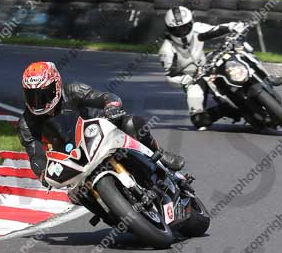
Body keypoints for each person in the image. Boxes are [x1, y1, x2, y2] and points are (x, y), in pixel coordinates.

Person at [18, 61, 185, 189]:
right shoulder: (26, 123)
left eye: (44, 94)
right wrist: (42, 174)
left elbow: (106, 97)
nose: (38, 102)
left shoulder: (72, 90)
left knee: (131, 123)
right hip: (73, 158)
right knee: (74, 193)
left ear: (56, 86)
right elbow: (36, 155)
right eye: (32, 96)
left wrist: (111, 107)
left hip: (100, 131)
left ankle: (159, 154)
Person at [159, 6, 282, 130]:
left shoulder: (197, 29)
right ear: (169, 30)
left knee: (241, 49)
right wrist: (184, 79)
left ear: (191, 23)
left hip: (209, 62)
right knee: (199, 120)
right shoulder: (167, 50)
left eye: (184, 28)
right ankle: (226, 110)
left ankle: (267, 77)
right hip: (193, 78)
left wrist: (233, 26)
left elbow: (216, 29)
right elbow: (170, 76)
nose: (181, 33)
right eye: (177, 30)